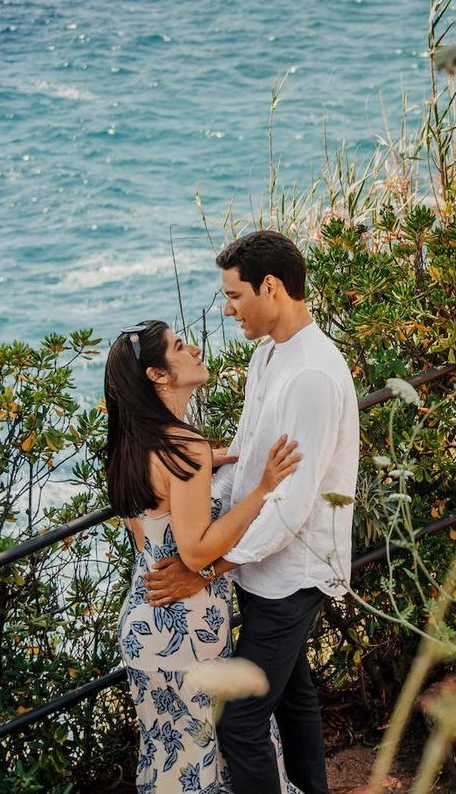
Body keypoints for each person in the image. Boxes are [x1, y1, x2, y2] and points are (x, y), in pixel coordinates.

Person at [144, 230, 360, 794]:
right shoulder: (268, 354)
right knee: (294, 698)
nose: (228, 309)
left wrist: (206, 568)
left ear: (270, 287)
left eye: (235, 296)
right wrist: (196, 478)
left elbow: (292, 507)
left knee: (240, 722)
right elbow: (249, 463)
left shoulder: (311, 376)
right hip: (260, 568)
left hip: (292, 574)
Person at [104, 319, 302, 794]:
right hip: (187, 628)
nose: (194, 349)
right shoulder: (184, 447)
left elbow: (154, 516)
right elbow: (195, 552)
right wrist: (263, 488)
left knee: (174, 762)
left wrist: (211, 459)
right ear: (157, 374)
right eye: (179, 346)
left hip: (145, 623)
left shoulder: (132, 443)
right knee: (210, 760)